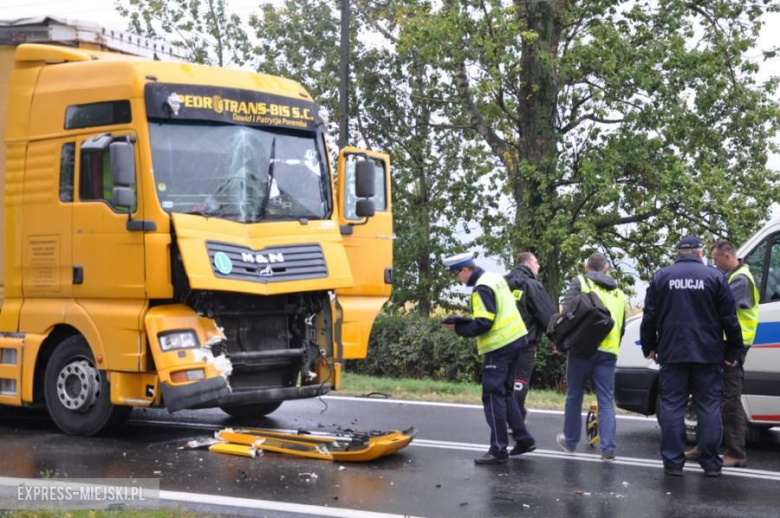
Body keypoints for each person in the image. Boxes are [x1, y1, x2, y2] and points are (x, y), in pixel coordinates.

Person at [640, 236, 743, 477]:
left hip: (672, 352)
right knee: (708, 406)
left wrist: (649, 346)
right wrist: (733, 350)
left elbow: (649, 317)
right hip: (708, 354)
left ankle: (673, 463)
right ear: (699, 254)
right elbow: (730, 319)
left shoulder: (662, 277)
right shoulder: (715, 277)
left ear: (678, 253)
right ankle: (709, 463)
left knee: (673, 406)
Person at [442, 252, 536, 464]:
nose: (457, 280)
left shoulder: (481, 287)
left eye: (456, 275)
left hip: (500, 346)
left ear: (466, 270)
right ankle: (523, 439)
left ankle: (498, 450)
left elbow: (485, 322)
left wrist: (458, 328)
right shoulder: (493, 278)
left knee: (493, 396)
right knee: (506, 393)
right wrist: (463, 321)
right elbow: (495, 313)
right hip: (517, 340)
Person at [685, 240, 758, 467]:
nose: (714, 264)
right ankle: (705, 445)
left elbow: (719, 306)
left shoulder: (741, 279)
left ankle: (736, 452)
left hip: (733, 347)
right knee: (708, 396)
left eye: (716, 260)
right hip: (721, 345)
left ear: (728, 256)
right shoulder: (732, 277)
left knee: (729, 400)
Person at [555, 253, 627, 461]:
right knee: (606, 400)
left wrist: (560, 343)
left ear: (587, 268)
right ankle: (608, 448)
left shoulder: (580, 282)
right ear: (606, 270)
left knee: (574, 396)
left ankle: (570, 441)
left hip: (581, 349)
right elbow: (620, 326)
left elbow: (566, 315)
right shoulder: (619, 294)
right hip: (608, 352)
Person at [505, 252, 557, 422]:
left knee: (508, 382)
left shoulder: (503, 284)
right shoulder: (532, 285)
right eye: (536, 262)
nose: (539, 266)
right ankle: (515, 419)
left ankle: (513, 415)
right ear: (527, 264)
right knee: (520, 381)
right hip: (525, 343)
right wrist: (558, 340)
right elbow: (547, 315)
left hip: (502, 343)